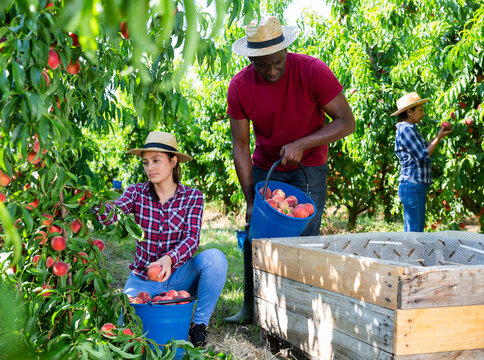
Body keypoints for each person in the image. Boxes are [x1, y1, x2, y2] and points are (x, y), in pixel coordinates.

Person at [224, 16, 355, 324]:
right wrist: (250, 198)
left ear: (286, 50)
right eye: (262, 64)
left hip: (309, 166)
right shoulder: (240, 87)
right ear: (251, 58)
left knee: (305, 237)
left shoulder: (312, 71)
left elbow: (346, 122)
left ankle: (302, 314)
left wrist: (303, 143)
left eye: (277, 62)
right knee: (257, 235)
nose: (271, 70)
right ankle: (251, 306)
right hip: (267, 166)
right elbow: (241, 146)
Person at [94, 131, 228, 347]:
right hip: (143, 277)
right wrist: (90, 199)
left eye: (156, 161)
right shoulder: (137, 192)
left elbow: (192, 239)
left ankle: (199, 325)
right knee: (124, 331)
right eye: (146, 162)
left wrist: (169, 259)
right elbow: (110, 216)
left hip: (177, 275)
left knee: (216, 258)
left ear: (173, 162)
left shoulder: (192, 197)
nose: (150, 168)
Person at [392, 92, 451, 232]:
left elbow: (424, 148)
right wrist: (438, 139)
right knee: (415, 232)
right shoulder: (406, 129)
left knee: (412, 230)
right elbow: (423, 155)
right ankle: (413, 254)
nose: (423, 113)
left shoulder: (411, 129)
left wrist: (438, 136)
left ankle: (410, 254)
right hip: (413, 184)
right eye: (420, 110)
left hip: (414, 185)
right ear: (409, 112)